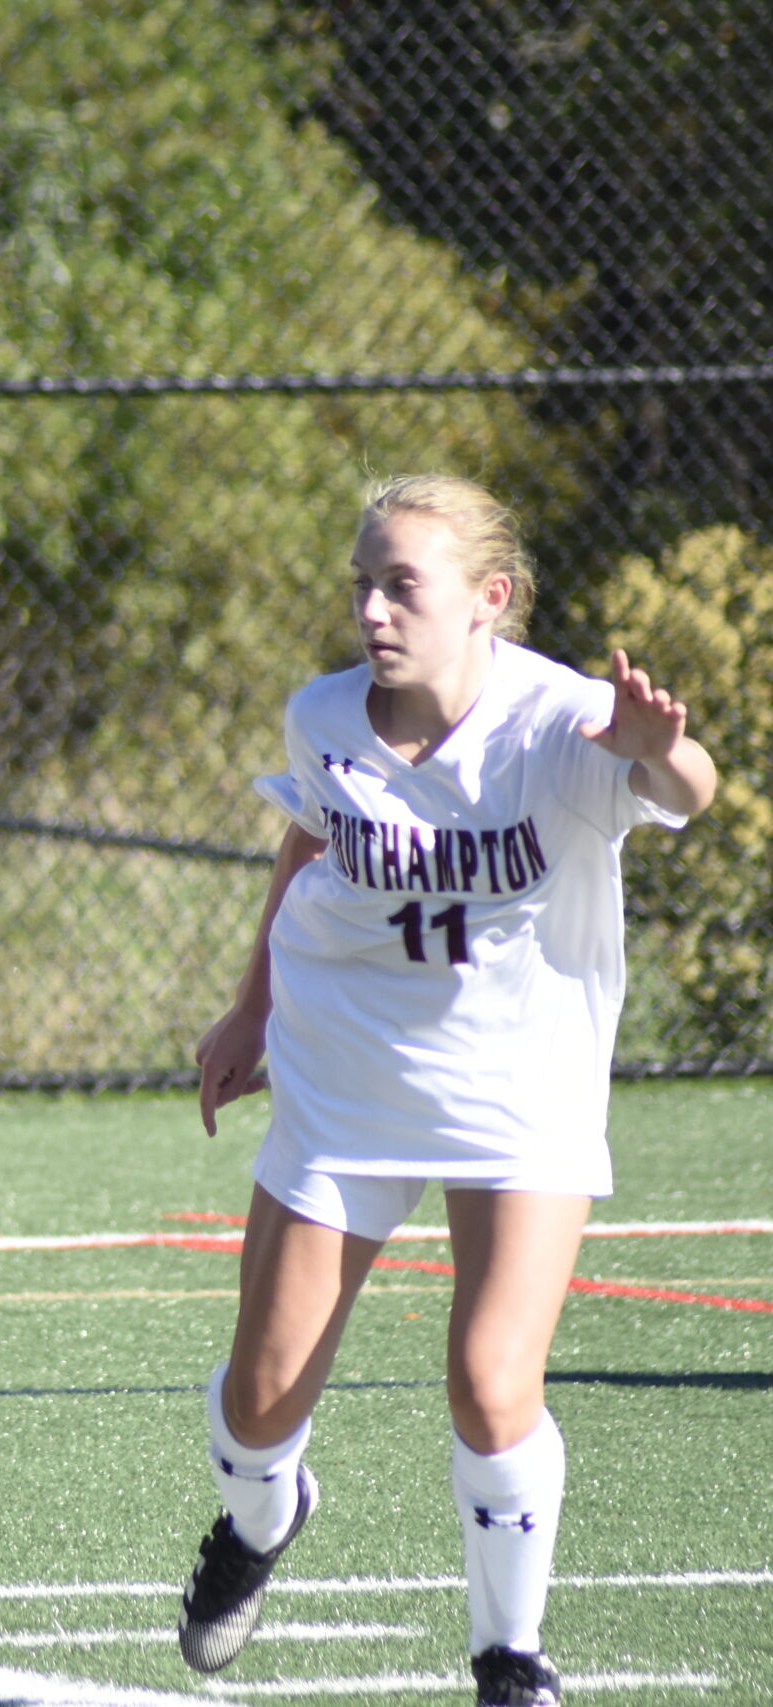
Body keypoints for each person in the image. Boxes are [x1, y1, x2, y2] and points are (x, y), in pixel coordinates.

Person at [181, 475, 715, 1707]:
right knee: (259, 1402)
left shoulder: (559, 721)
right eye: (360, 581)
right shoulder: (322, 715)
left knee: (489, 1382)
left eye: (400, 584)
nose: (372, 606)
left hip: (520, 1086)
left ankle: (508, 1658)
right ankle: (259, 1525)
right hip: (346, 1069)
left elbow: (688, 791)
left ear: (489, 600)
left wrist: (661, 751)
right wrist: (250, 1006)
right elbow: (312, 837)